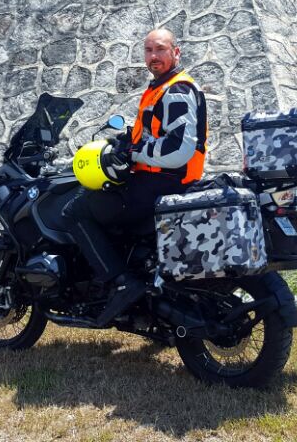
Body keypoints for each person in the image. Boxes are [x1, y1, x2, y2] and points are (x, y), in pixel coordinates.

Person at [63, 28, 208, 325]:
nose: (154, 56)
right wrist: (125, 143)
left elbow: (178, 148)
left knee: (76, 210)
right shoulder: (160, 89)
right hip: (161, 181)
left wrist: (135, 153)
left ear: (175, 52)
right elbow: (155, 133)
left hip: (163, 183)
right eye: (149, 50)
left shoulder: (178, 90)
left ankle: (121, 282)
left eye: (161, 49)